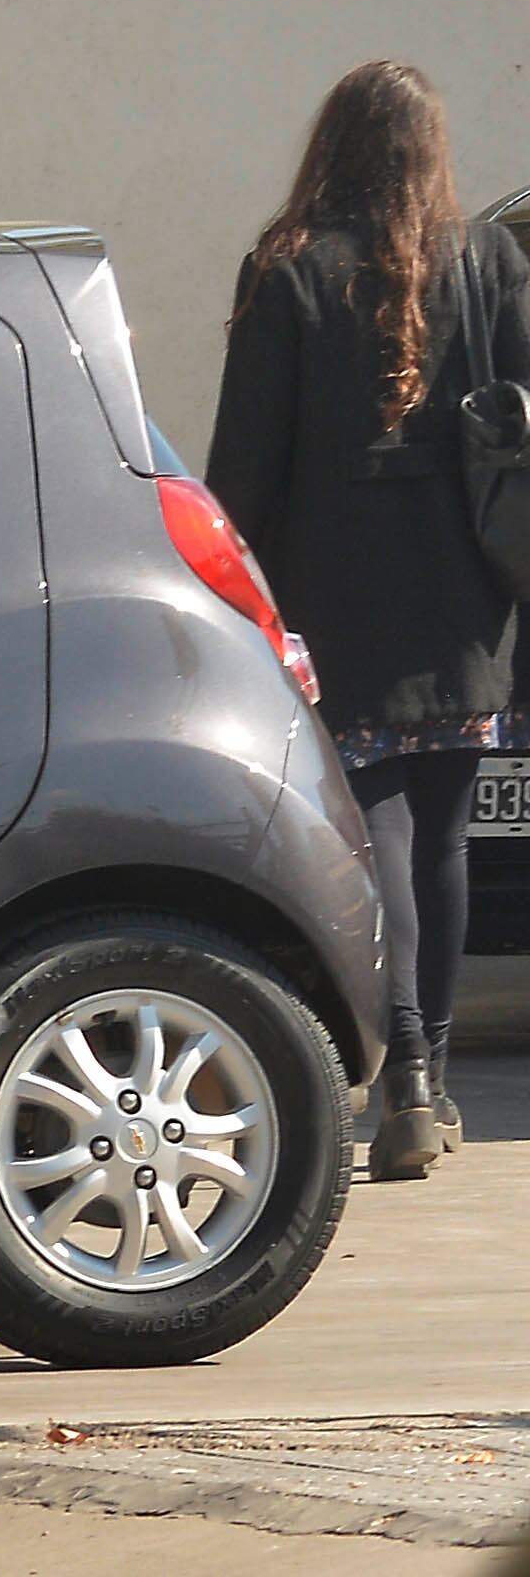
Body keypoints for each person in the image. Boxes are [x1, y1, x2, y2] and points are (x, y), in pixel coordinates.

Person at [208, 60, 530, 1179]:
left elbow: (243, 460)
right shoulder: (489, 260)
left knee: (377, 828)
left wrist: (230, 589)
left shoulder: (286, 267)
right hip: (464, 598)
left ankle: (396, 1074)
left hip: (336, 596)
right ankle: (426, 1079)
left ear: (331, 144)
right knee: (442, 836)